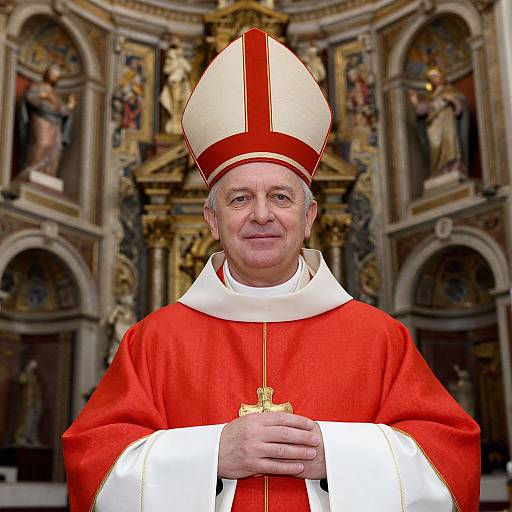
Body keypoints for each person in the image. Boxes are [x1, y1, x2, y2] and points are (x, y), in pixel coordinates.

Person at [63, 29, 480, 512]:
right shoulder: (153, 343)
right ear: (213, 221)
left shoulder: (380, 339)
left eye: (280, 197)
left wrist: (339, 456)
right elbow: (92, 467)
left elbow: (453, 461)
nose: (261, 214)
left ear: (309, 219)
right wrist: (211, 454)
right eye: (240, 198)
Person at [408, 66, 469, 178]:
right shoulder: (431, 97)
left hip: (447, 120)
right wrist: (415, 101)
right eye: (431, 78)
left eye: (435, 76)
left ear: (441, 76)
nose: (433, 79)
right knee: (435, 147)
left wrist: (452, 100)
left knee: (451, 140)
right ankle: (439, 170)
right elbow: (423, 110)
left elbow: (461, 103)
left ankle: (454, 165)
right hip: (434, 125)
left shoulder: (450, 89)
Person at [18, 64, 76, 178]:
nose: (54, 76)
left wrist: (70, 106)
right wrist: (43, 98)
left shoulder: (55, 95)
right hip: (41, 119)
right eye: (53, 73)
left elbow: (62, 110)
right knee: (42, 143)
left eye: (57, 75)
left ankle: (48, 174)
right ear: (46, 74)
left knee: (55, 148)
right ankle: (30, 170)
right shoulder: (37, 86)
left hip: (55, 124)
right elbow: (30, 98)